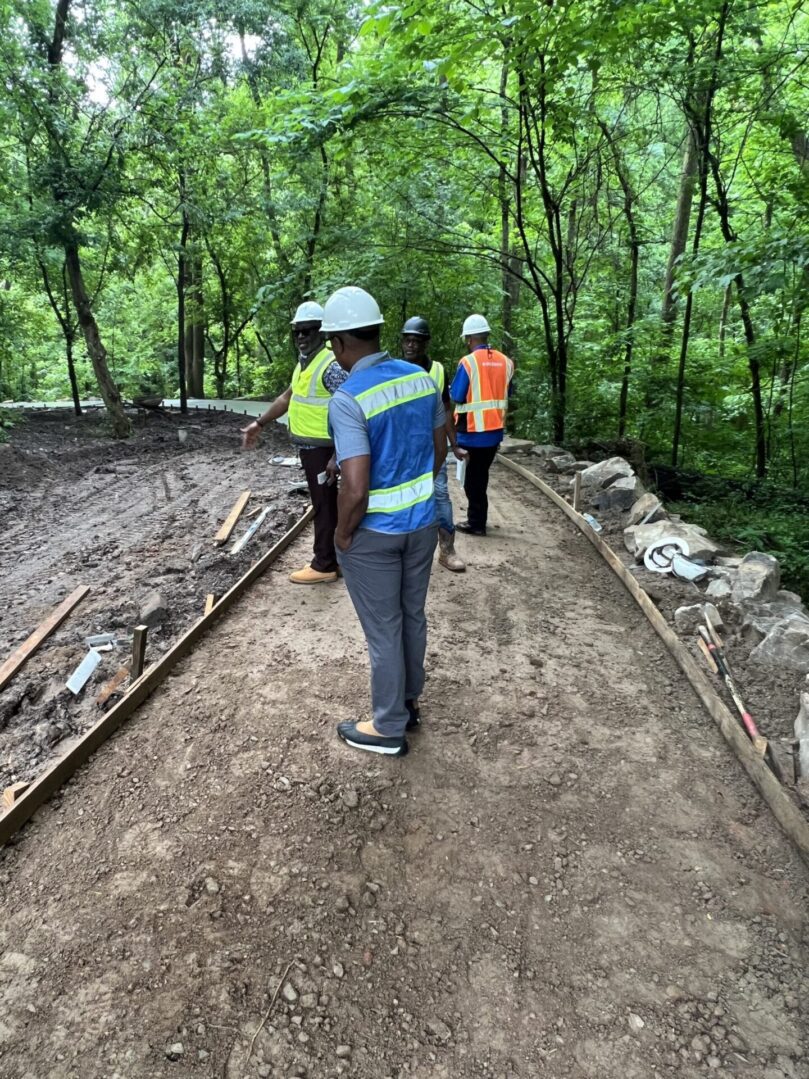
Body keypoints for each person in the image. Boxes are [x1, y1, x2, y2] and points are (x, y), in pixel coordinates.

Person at [325, 287, 447, 757]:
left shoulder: (348, 399)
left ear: (338, 343)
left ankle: (388, 726)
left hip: (375, 535)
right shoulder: (419, 379)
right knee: (412, 616)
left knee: (383, 629)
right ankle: (409, 703)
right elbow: (438, 451)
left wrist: (342, 533)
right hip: (421, 526)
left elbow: (354, 485)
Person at [241, 301, 347, 583]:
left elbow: (353, 407)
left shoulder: (330, 366)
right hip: (311, 449)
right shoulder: (304, 364)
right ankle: (333, 559)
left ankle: (324, 565)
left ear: (321, 333)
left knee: (324, 505)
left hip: (324, 449)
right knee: (326, 503)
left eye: (307, 331)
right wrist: (259, 423)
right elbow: (287, 398)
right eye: (296, 332)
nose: (301, 336)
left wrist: (338, 454)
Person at [400, 316, 466, 573]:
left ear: (425, 343)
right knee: (403, 497)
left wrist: (455, 444)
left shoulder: (437, 370)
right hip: (403, 449)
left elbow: (446, 411)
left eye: (417, 341)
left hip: (433, 446)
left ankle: (447, 549)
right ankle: (404, 550)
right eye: (407, 340)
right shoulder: (393, 369)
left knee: (440, 496)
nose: (411, 346)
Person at [450, 314, 514, 536]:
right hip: (494, 432)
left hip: (471, 433)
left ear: (468, 338)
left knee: (472, 481)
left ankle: (476, 523)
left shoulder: (468, 363)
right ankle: (477, 520)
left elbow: (457, 395)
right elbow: (509, 392)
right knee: (481, 476)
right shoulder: (506, 362)